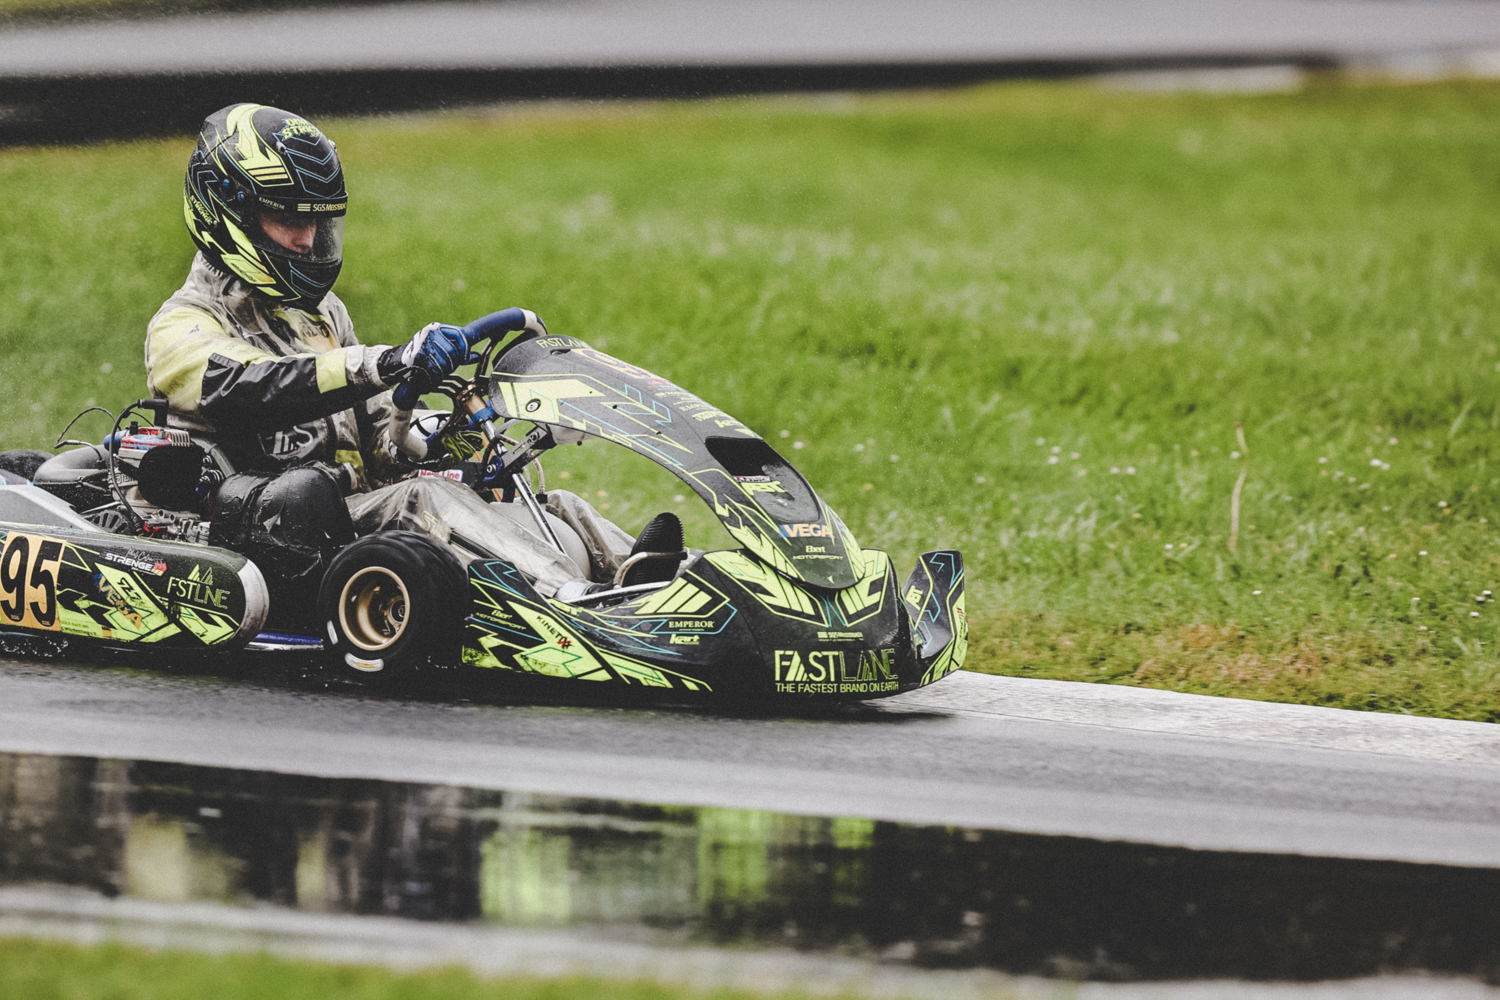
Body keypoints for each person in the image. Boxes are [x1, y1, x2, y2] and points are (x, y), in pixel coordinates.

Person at [145, 103, 678, 622]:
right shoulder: (183, 324)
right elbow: (253, 384)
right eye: (287, 219)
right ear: (228, 212)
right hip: (271, 529)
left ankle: (663, 586)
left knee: (546, 500)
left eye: (316, 222)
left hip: (355, 514)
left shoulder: (322, 316)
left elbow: (382, 444)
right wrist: (385, 362)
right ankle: (575, 603)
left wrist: (450, 437)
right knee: (426, 496)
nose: (307, 240)